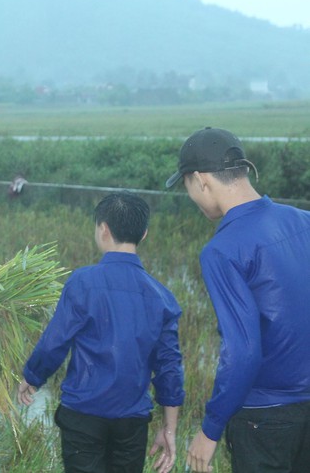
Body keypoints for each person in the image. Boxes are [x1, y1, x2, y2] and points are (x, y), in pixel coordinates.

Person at [165, 127, 310, 473]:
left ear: (200, 180)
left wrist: (210, 429)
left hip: (264, 418)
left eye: (186, 186)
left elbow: (243, 350)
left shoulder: (222, 250)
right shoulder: (303, 221)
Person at [18, 191, 184, 473]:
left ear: (103, 229)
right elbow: (170, 368)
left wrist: (32, 376)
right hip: (132, 421)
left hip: (84, 414)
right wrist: (170, 429)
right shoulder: (161, 297)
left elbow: (55, 341)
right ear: (143, 234)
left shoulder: (83, 282)